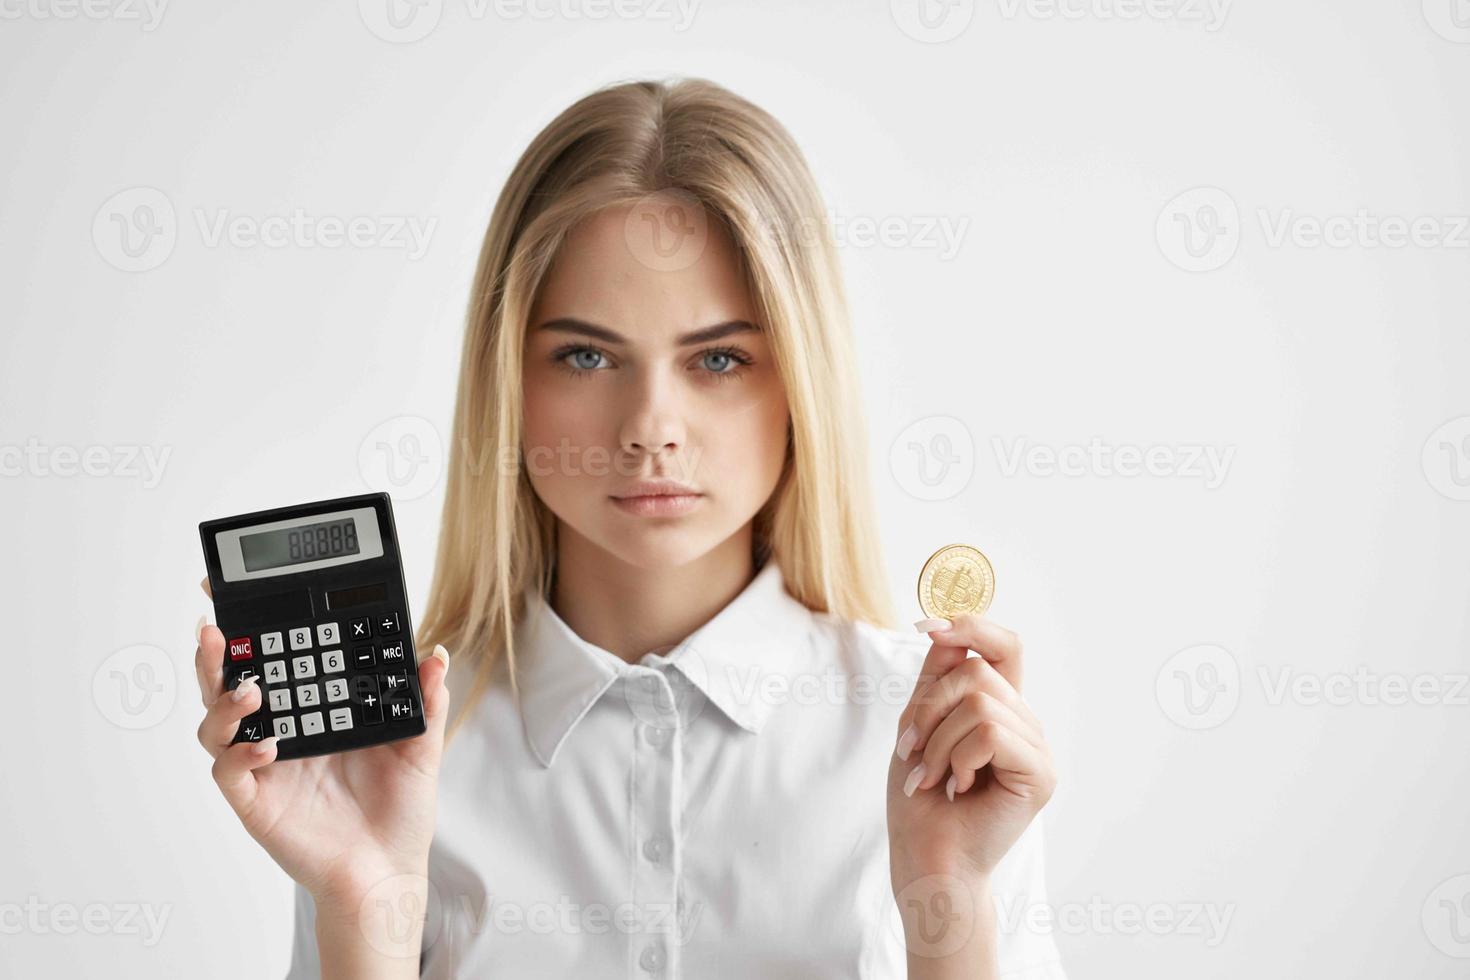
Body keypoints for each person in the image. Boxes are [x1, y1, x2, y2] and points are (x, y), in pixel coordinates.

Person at [192, 76, 1066, 979]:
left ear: (802, 383)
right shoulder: (395, 755)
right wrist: (358, 899)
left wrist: (949, 897)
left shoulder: (931, 739)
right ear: (509, 383)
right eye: (587, 354)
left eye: (720, 358)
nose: (651, 425)